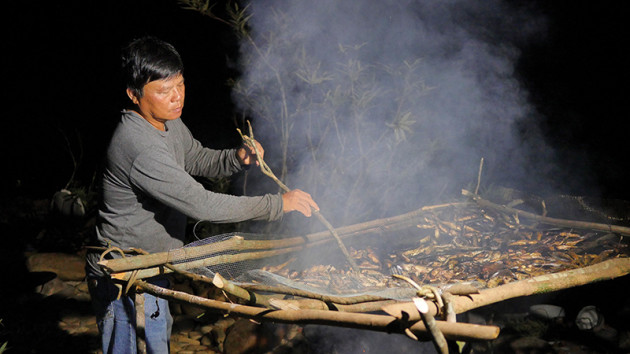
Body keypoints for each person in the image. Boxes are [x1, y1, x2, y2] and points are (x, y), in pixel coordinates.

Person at [85, 36, 319, 354]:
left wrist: (236, 159)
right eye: (163, 90)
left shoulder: (168, 121)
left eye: (180, 85)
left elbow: (196, 158)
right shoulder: (138, 146)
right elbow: (202, 203)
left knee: (156, 344)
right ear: (134, 94)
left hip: (153, 266)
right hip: (124, 274)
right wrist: (277, 204)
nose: (176, 97)